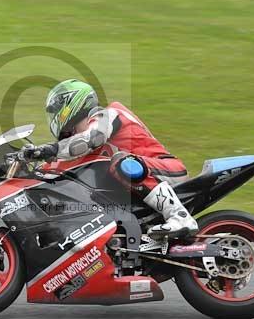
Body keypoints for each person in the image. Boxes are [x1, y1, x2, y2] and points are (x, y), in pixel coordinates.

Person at [19, 79, 198, 238]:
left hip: (165, 170)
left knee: (121, 162)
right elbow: (57, 171)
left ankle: (179, 216)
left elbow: (92, 138)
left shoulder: (108, 114)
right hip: (137, 187)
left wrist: (48, 149)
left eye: (56, 110)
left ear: (71, 104)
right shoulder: (80, 143)